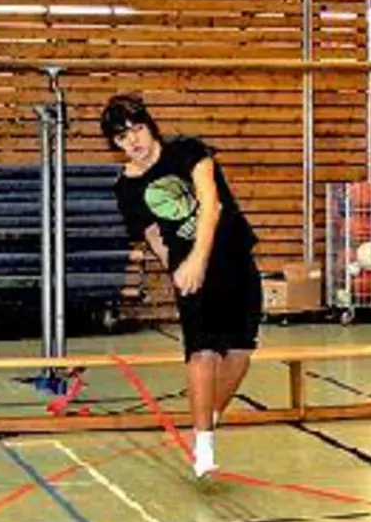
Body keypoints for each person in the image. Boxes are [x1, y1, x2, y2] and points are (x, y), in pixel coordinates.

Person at [105, 93, 263, 478]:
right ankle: (203, 445)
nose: (134, 142)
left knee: (240, 352)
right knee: (203, 351)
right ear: (115, 144)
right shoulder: (126, 189)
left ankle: (207, 415)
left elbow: (212, 206)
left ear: (150, 126)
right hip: (189, 270)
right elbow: (154, 235)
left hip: (231, 255)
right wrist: (176, 267)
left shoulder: (188, 151)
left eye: (138, 130)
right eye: (123, 138)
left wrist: (198, 259)